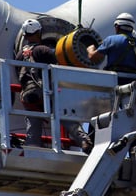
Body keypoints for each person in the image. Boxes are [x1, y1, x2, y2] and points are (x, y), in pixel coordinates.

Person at [16, 18, 93, 153]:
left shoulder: (19, 56)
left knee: (33, 124)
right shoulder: (42, 50)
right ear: (39, 32)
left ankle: (32, 149)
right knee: (64, 114)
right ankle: (83, 140)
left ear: (25, 35)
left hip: (27, 96)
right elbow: (58, 60)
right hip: (43, 92)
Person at [87, 12, 136, 85]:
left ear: (117, 26)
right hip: (133, 83)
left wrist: (90, 49)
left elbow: (93, 57)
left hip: (115, 81)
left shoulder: (111, 40)